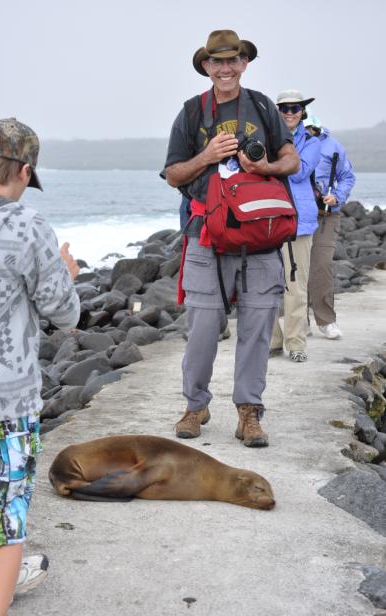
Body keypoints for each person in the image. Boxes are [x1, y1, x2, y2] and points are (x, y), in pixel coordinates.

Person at [163, 30, 299, 447]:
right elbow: (172, 174)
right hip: (206, 233)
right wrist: (207, 155)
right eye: (217, 61)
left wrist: (264, 170)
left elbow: (291, 159)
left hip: (260, 236)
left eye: (233, 60)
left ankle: (248, 413)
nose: (225, 68)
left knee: (257, 327)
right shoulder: (191, 113)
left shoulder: (261, 106)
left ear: (244, 64)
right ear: (206, 66)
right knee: (203, 327)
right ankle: (195, 405)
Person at [0, 118, 80, 615]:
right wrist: (68, 274)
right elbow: (64, 312)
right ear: (24, 171)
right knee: (6, 520)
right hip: (3, 400)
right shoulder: (26, 223)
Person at [269, 90, 321, 362]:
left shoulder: (312, 143)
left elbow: (299, 172)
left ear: (303, 112)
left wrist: (273, 160)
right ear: (277, 110)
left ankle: (296, 344)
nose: (290, 113)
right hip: (268, 221)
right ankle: (274, 342)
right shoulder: (265, 137)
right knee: (265, 286)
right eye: (285, 108)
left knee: (296, 287)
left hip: (299, 223)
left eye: (296, 108)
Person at [305, 115, 356, 339]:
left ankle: (326, 321)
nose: (308, 131)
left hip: (326, 216)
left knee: (321, 267)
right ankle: (299, 322)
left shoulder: (333, 146)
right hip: (294, 216)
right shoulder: (287, 142)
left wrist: (337, 196)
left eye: (311, 128)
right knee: (293, 269)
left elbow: (348, 176)